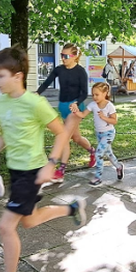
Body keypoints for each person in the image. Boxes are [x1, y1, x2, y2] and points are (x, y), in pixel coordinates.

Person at [0, 47, 88, 272]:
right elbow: (6, 133)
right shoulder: (0, 103)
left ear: (17, 76)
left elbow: (60, 133)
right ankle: (72, 209)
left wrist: (51, 163)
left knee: (5, 226)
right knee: (28, 221)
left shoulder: (35, 103)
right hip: (16, 171)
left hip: (33, 172)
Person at [36, 43, 93, 183]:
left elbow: (85, 93)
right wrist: (36, 93)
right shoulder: (59, 69)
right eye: (62, 55)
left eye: (66, 56)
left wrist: (76, 103)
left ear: (75, 57)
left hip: (75, 108)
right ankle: (93, 152)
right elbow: (46, 83)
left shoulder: (81, 71)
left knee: (63, 136)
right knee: (77, 138)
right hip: (62, 106)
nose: (63, 58)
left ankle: (60, 170)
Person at [71, 82, 123, 186]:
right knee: (109, 154)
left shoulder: (109, 106)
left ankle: (98, 178)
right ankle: (119, 166)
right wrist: (75, 110)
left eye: (97, 94)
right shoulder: (92, 105)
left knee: (98, 153)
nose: (94, 97)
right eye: (93, 94)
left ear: (105, 93)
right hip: (99, 134)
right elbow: (82, 114)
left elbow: (114, 121)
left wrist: (104, 117)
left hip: (108, 134)